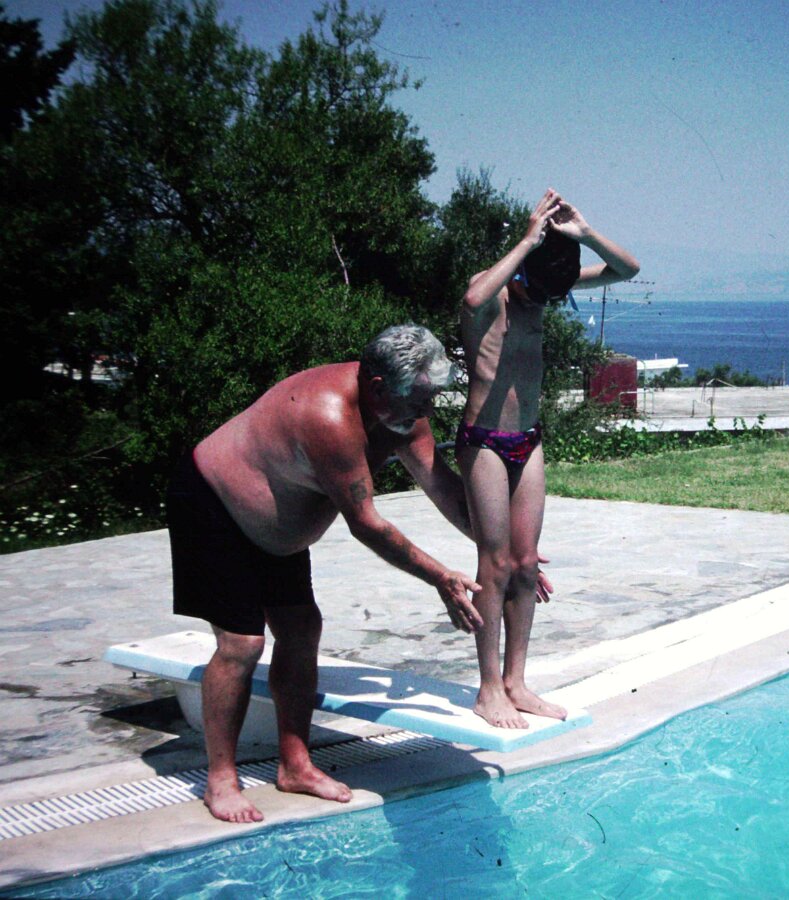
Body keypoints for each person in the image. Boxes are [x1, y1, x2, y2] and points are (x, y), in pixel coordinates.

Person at [167, 324, 485, 824]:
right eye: (419, 400)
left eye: (430, 399)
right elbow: (367, 524)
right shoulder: (330, 417)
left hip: (274, 525)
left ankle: (295, 765)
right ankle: (221, 779)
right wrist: (441, 577)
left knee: (300, 631)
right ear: (378, 387)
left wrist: (503, 551)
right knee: (242, 644)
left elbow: (442, 486)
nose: (426, 411)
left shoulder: (403, 413)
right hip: (213, 504)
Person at [457, 189, 640, 729]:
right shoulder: (493, 293)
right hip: (485, 440)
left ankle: (516, 681)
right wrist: (526, 241)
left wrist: (586, 233)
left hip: (528, 439)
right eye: (536, 290)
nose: (542, 302)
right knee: (494, 564)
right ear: (522, 268)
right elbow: (471, 296)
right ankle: (488, 687)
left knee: (526, 564)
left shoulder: (544, 284)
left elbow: (627, 270)